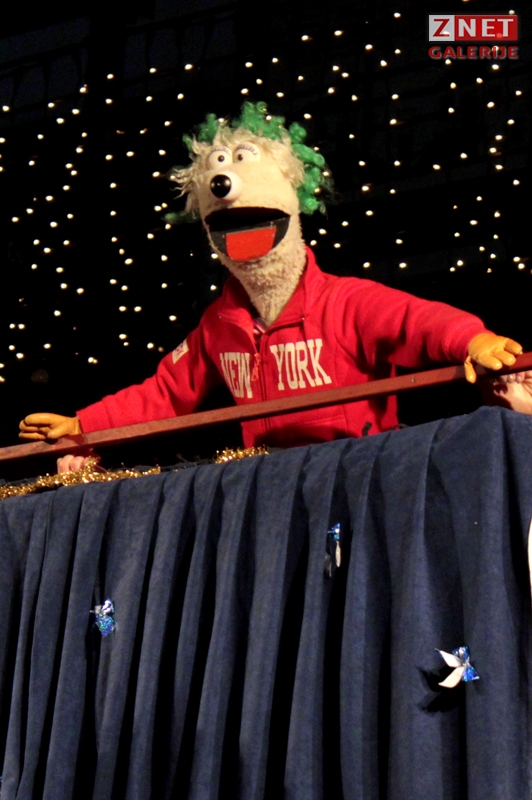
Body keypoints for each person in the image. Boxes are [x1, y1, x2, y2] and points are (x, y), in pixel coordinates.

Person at [19, 102, 522, 453]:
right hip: (269, 484)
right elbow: (166, 391)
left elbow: (415, 320)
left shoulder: (344, 301)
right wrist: (85, 424)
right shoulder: (220, 324)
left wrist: (472, 339)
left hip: (356, 471)